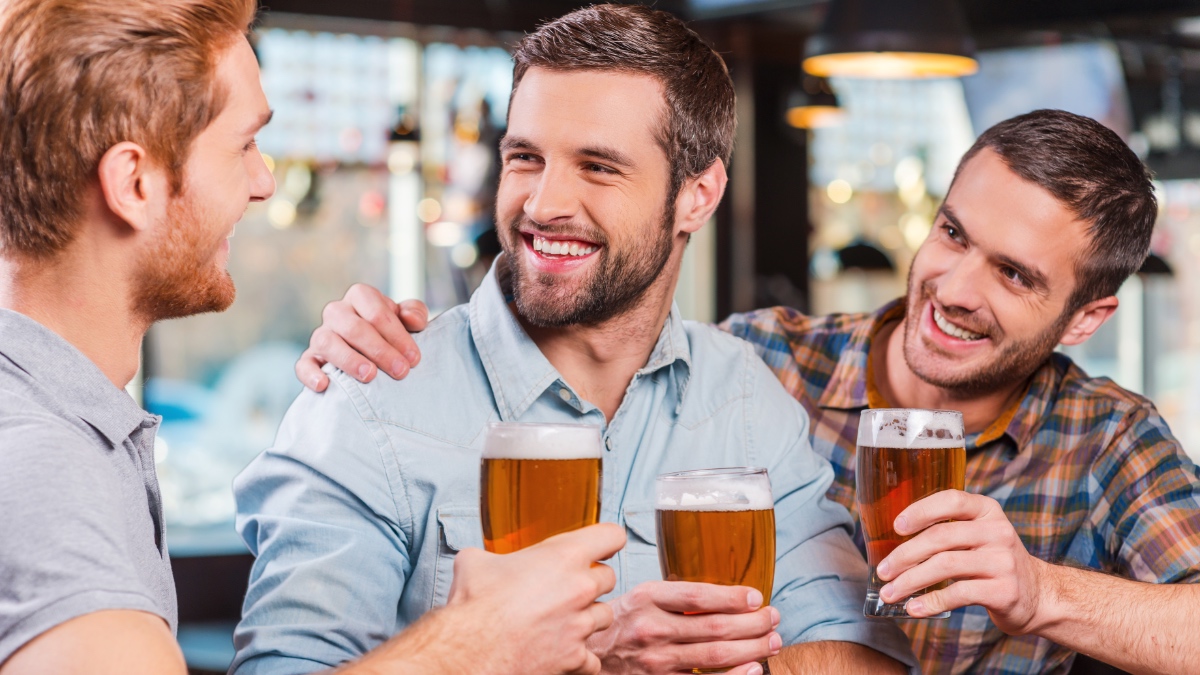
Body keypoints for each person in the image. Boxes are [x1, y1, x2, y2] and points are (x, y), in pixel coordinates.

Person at [306, 107, 1200, 674]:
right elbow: (580, 366)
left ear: (1086, 317)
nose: (957, 285)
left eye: (1014, 274)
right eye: (954, 234)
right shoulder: (760, 361)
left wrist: (1042, 592)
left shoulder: (1107, 437)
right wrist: (374, 338)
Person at [232, 5, 918, 675]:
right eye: (525, 157)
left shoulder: (744, 399)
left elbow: (869, 656)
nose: (542, 203)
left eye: (598, 166)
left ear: (698, 195)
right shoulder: (369, 397)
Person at [0, 1, 623, 674]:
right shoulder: (44, 462)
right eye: (242, 146)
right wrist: (471, 645)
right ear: (134, 182)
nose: (264, 182)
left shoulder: (62, 425)